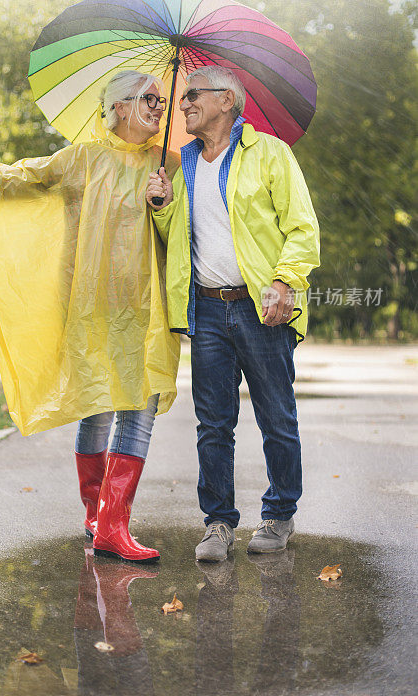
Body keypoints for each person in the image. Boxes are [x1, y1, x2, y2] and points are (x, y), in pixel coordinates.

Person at [0, 70, 180, 563]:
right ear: (121, 107)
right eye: (150, 97)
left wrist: (166, 201)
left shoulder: (169, 163)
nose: (160, 106)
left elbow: (187, 233)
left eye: (162, 99)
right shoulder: (82, 159)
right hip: (92, 307)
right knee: (97, 406)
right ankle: (96, 515)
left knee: (139, 412)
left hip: (148, 310)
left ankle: (113, 524)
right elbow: (16, 177)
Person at [145, 65, 320, 560]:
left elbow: (302, 228)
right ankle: (218, 523)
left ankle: (280, 514)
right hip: (208, 309)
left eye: (192, 95)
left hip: (262, 309)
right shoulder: (185, 163)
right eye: (183, 98)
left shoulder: (269, 154)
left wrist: (286, 281)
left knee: (276, 418)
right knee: (213, 424)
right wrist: (161, 207)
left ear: (227, 101)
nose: (183, 104)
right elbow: (177, 242)